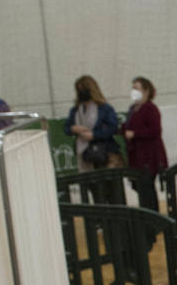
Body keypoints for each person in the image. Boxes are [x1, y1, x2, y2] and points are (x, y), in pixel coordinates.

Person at [120, 77, 167, 206]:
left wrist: (135, 134)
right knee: (140, 188)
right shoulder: (132, 108)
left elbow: (155, 130)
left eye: (137, 88)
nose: (133, 91)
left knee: (147, 188)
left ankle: (153, 219)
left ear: (146, 91)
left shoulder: (150, 108)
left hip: (148, 156)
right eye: (133, 88)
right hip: (135, 155)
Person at [65, 76, 120, 171]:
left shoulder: (104, 108)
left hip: (104, 152)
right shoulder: (76, 110)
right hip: (83, 152)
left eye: (83, 89)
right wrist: (74, 129)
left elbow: (113, 127)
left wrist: (94, 135)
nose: (81, 92)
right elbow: (66, 128)